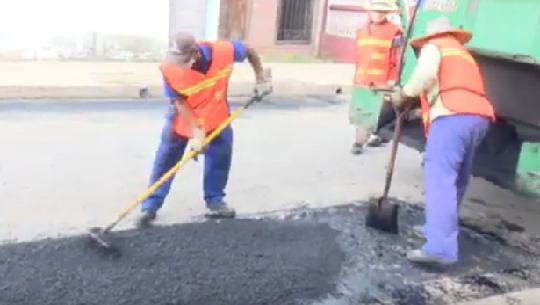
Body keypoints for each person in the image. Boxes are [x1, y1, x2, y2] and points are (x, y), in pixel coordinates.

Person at [136, 32, 272, 227]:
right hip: (183, 118)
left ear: (195, 53)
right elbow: (179, 101)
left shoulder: (223, 51)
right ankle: (150, 205)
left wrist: (261, 79)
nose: (178, 65)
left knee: (220, 156)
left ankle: (215, 200)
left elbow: (249, 49)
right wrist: (197, 132)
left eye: (182, 61)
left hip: (216, 115)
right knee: (166, 159)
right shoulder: (168, 69)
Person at [387, 20, 495, 265]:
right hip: (478, 117)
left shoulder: (434, 47)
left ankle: (440, 249)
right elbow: (456, 88)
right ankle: (435, 230)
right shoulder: (463, 53)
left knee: (440, 178)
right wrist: (419, 112)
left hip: (453, 116)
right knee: (457, 179)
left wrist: (404, 95)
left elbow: (424, 76)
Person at [351, 0, 402, 155]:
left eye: (382, 12)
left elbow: (396, 57)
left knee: (377, 111)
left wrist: (393, 79)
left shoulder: (395, 32)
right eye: (375, 11)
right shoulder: (361, 30)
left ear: (387, 14)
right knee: (364, 110)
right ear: (370, 12)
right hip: (362, 78)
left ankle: (361, 141)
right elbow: (360, 55)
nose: (378, 15)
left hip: (382, 81)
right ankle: (367, 139)